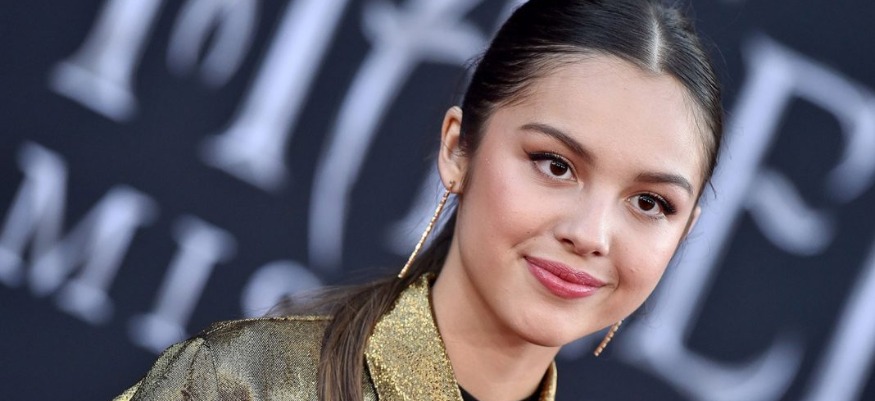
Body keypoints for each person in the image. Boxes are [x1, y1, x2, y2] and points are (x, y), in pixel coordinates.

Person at [114, 0, 723, 399]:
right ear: (458, 149)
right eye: (555, 165)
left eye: (650, 203)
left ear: (685, 230)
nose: (590, 234)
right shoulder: (244, 383)